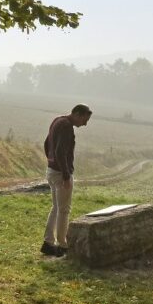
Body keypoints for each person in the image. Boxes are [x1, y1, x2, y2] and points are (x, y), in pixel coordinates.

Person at [41, 103, 92, 256]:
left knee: (56, 208)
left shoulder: (57, 121)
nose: (85, 124)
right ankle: (62, 245)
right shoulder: (66, 126)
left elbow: (46, 144)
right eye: (84, 119)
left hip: (51, 171)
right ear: (77, 113)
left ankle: (48, 243)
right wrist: (65, 175)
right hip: (59, 173)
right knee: (64, 210)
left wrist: (51, 161)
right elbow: (60, 151)